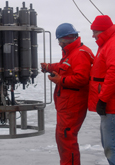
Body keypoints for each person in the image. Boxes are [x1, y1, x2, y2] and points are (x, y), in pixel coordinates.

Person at [41, 23, 94, 165]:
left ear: (66, 38)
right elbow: (63, 66)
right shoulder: (72, 53)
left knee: (67, 138)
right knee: (63, 138)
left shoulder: (80, 53)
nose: (59, 43)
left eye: (60, 40)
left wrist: (60, 80)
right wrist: (48, 67)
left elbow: (82, 79)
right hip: (66, 105)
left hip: (72, 105)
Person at [88, 15, 115, 165]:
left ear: (102, 30)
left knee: (111, 146)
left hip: (111, 106)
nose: (92, 35)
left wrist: (103, 99)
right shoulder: (106, 44)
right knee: (109, 144)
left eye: (94, 31)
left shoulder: (111, 44)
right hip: (109, 105)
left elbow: (113, 73)